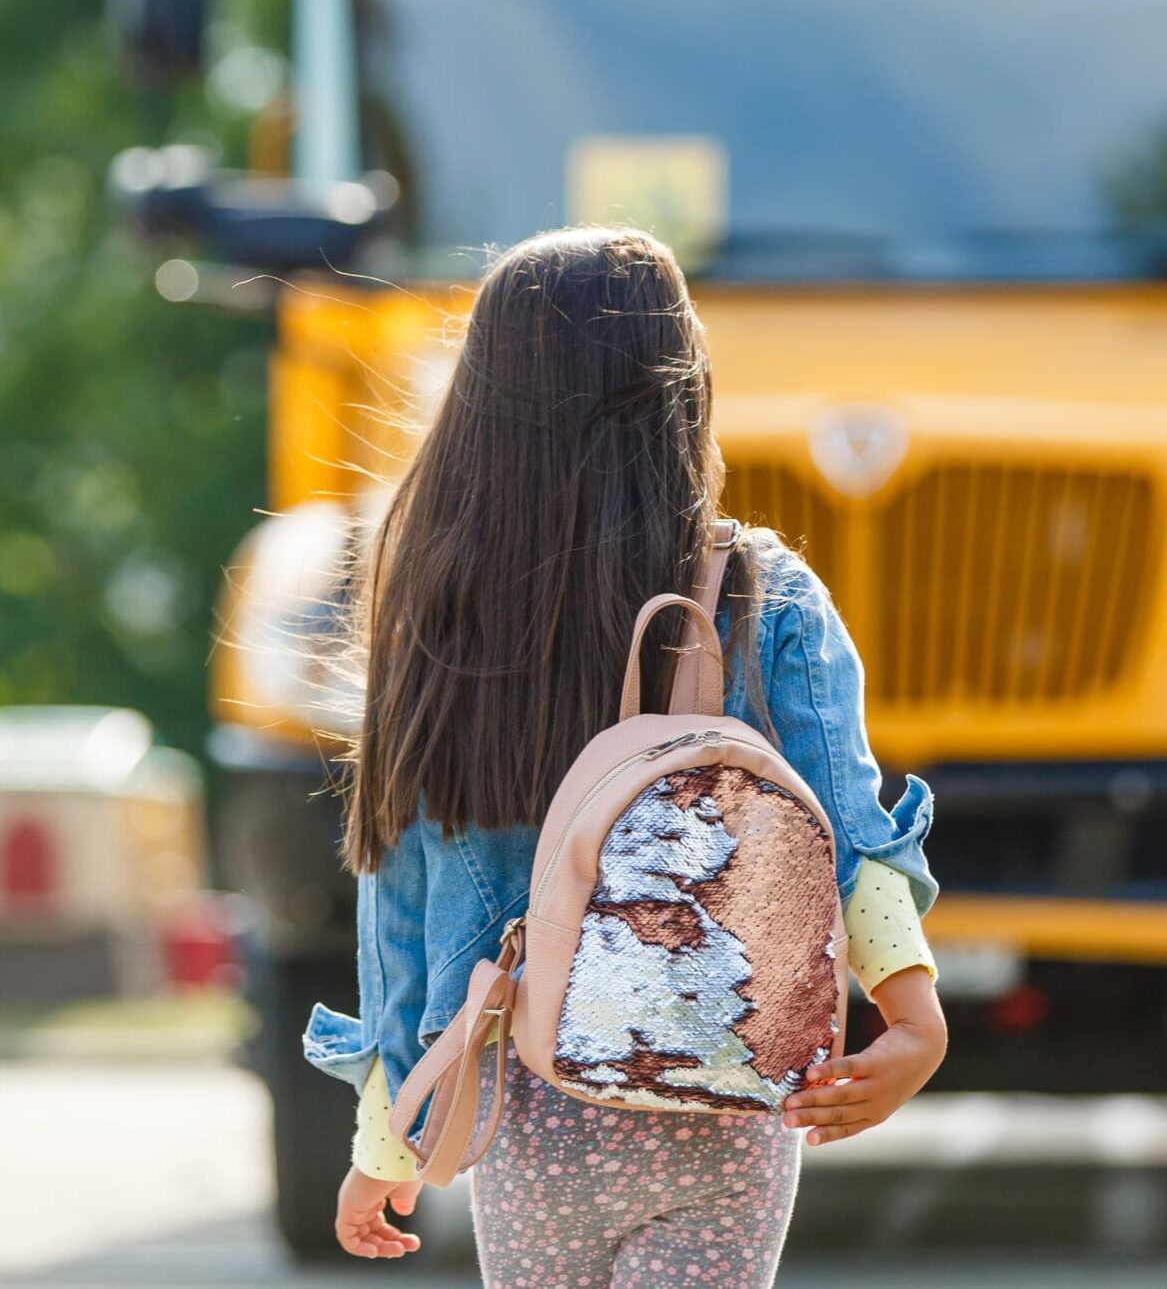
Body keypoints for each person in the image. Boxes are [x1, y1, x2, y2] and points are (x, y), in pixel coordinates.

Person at [303, 226, 946, 1287]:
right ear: (680, 385)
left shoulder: (441, 613)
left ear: (484, 405)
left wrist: (386, 1133)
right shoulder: (761, 593)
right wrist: (913, 1020)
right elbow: (847, 831)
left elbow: (400, 899)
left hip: (530, 1096)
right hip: (723, 1083)